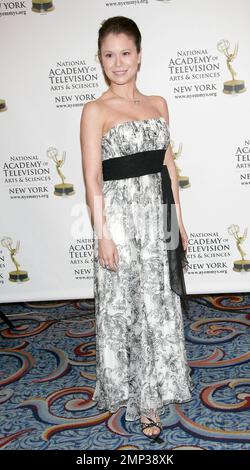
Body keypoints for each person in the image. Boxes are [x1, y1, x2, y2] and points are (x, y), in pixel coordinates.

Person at [80, 16, 194, 442]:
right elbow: (92, 176)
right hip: (122, 223)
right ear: (100, 60)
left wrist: (178, 219)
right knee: (126, 307)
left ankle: (161, 382)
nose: (118, 62)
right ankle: (142, 400)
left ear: (140, 55)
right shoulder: (95, 110)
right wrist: (102, 233)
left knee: (158, 303)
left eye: (125, 52)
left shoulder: (159, 104)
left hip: (158, 214)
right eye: (109, 55)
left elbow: (168, 164)